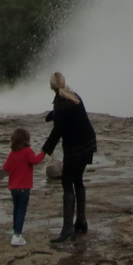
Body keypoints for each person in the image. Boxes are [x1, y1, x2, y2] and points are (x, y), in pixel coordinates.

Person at [41, 72, 97, 243]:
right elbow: (69, 113)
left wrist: (44, 151)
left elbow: (57, 132)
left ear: (51, 86)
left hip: (75, 149)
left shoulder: (60, 103)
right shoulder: (73, 95)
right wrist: (53, 114)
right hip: (88, 143)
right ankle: (81, 221)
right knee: (78, 179)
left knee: (67, 183)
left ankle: (67, 228)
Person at [3, 126, 45, 247]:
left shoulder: (12, 153)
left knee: (16, 209)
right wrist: (43, 153)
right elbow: (34, 160)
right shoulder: (27, 151)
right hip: (24, 187)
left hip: (13, 188)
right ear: (27, 139)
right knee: (21, 210)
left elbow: (5, 168)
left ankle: (15, 231)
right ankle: (17, 235)